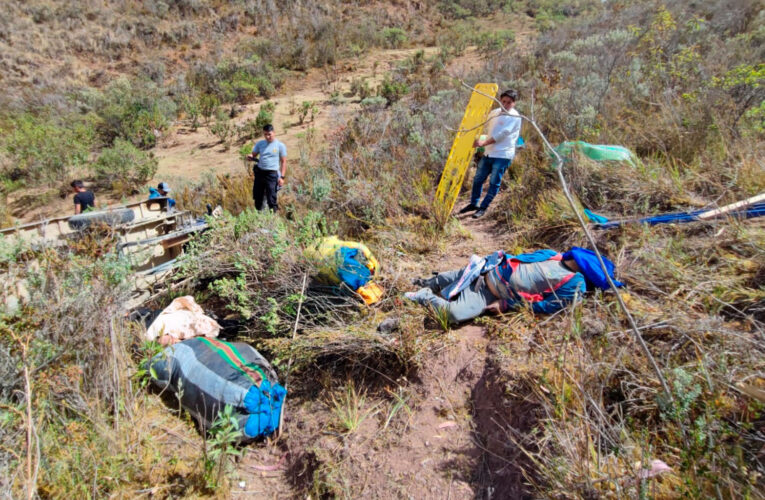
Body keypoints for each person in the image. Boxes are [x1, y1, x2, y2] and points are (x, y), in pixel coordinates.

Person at [404, 247, 623, 324]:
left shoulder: (575, 284)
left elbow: (546, 306)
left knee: (454, 314)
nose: (573, 257)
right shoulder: (553, 256)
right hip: (485, 270)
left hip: (489, 294)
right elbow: (520, 258)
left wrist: (507, 305)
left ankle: (424, 295)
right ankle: (425, 283)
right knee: (441, 279)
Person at [459, 89, 522, 219]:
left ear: (514, 103)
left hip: (503, 155)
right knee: (478, 179)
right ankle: (473, 204)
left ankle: (483, 208)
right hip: (489, 153)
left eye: (509, 102)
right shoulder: (494, 113)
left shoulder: (514, 117)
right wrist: (474, 137)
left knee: (494, 183)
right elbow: (484, 125)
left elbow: (501, 134)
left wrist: (483, 143)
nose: (505, 104)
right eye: (503, 101)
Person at [246, 124, 287, 211]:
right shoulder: (260, 144)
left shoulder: (280, 146)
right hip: (260, 173)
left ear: (274, 133)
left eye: (269, 134)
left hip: (271, 174)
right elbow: (253, 154)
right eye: (265, 134)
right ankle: (258, 216)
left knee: (271, 198)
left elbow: (283, 162)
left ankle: (273, 219)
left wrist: (282, 177)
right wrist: (250, 156)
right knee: (257, 197)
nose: (267, 137)